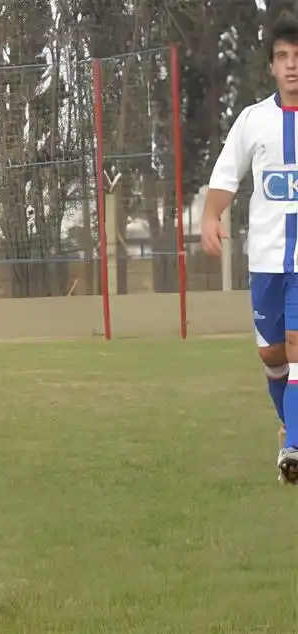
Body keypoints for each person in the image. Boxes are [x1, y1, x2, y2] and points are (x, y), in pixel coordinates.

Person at [202, 12, 298, 481]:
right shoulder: (253, 120)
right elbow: (226, 176)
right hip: (265, 261)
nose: (292, 64)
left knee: (297, 347)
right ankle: (290, 427)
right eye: (283, 56)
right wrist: (210, 216)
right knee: (273, 355)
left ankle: (294, 446)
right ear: (272, 66)